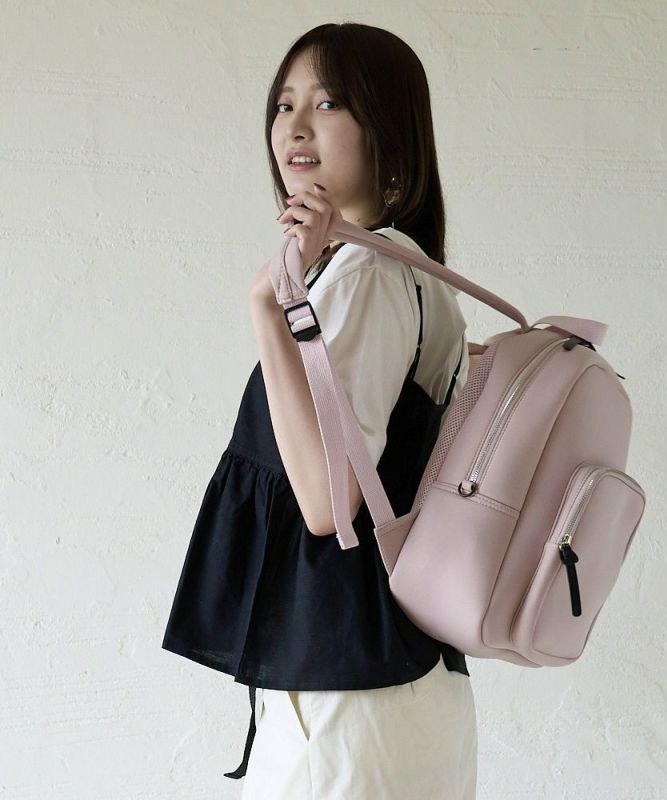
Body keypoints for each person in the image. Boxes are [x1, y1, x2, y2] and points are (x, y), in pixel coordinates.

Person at [161, 21, 478, 799]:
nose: (295, 126)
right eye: (284, 103)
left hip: (348, 704)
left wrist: (267, 307)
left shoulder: (368, 272)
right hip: (385, 686)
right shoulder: (398, 268)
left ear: (387, 129)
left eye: (329, 103)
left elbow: (328, 505)